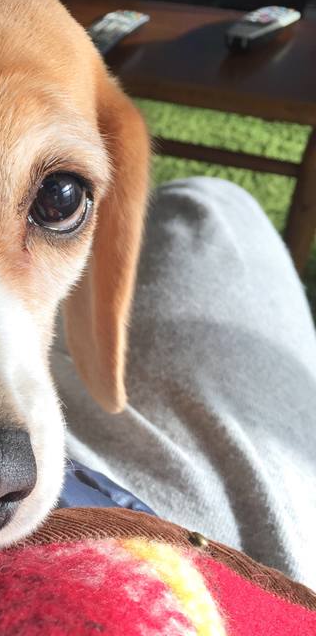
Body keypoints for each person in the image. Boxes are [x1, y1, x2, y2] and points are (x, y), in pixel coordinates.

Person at [53, 176, 316, 589]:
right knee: (211, 204)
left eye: (56, 198)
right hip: (254, 589)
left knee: (208, 205)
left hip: (99, 516)